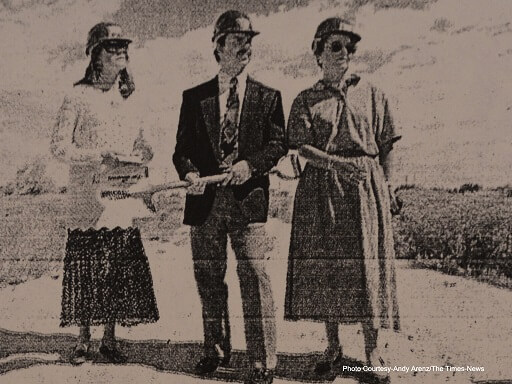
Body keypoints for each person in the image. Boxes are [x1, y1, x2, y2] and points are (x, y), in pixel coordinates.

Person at [173, 10, 286, 384]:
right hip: (205, 202)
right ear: (218, 46)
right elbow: (182, 150)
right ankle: (216, 350)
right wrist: (189, 173)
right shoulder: (194, 98)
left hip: (248, 200)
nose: (245, 46)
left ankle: (262, 362)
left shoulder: (269, 97)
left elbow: (277, 145)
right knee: (208, 276)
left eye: (249, 40)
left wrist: (250, 166)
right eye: (237, 39)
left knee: (254, 274)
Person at [283, 17, 401, 378]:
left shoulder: (373, 94)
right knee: (328, 269)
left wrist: (388, 185)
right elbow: (299, 145)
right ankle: (333, 348)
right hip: (321, 191)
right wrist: (334, 164)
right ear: (318, 52)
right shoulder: (306, 99)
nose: (344, 53)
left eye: (350, 47)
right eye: (336, 46)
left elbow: (387, 143)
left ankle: (373, 351)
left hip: (366, 191)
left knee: (368, 268)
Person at [51, 22, 159, 364]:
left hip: (121, 199)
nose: (121, 52)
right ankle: (83, 340)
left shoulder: (132, 99)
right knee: (86, 268)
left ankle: (109, 339)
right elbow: (58, 147)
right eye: (113, 47)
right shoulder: (76, 96)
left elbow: (141, 141)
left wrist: (146, 150)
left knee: (115, 269)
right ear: (95, 54)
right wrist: (99, 156)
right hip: (87, 201)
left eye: (124, 47)